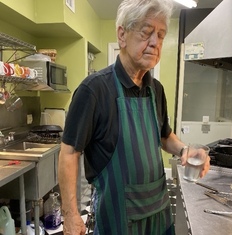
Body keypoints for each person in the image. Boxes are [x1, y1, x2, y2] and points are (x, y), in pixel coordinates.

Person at [58, 0, 211, 234]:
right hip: (116, 218)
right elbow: (69, 153)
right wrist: (71, 215)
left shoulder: (156, 90)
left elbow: (164, 135)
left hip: (158, 215)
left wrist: (184, 150)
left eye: (160, 35)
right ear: (122, 35)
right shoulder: (94, 90)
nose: (154, 42)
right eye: (147, 32)